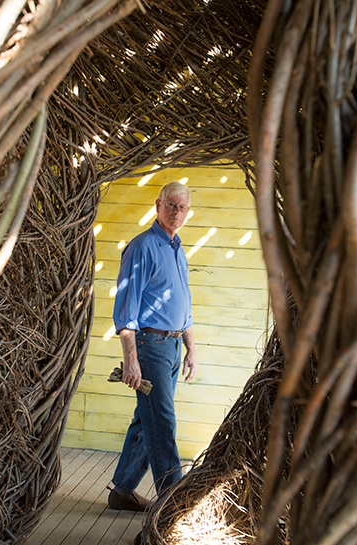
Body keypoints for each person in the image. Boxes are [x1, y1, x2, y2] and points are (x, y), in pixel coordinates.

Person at [107, 181, 199, 513]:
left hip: (172, 347)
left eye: (182, 208)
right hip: (150, 346)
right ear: (158, 205)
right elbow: (126, 310)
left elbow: (184, 305)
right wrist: (130, 360)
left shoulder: (177, 249)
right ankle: (174, 504)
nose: (177, 212)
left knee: (146, 419)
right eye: (171, 205)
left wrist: (190, 348)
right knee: (162, 421)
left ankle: (122, 490)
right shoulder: (142, 247)